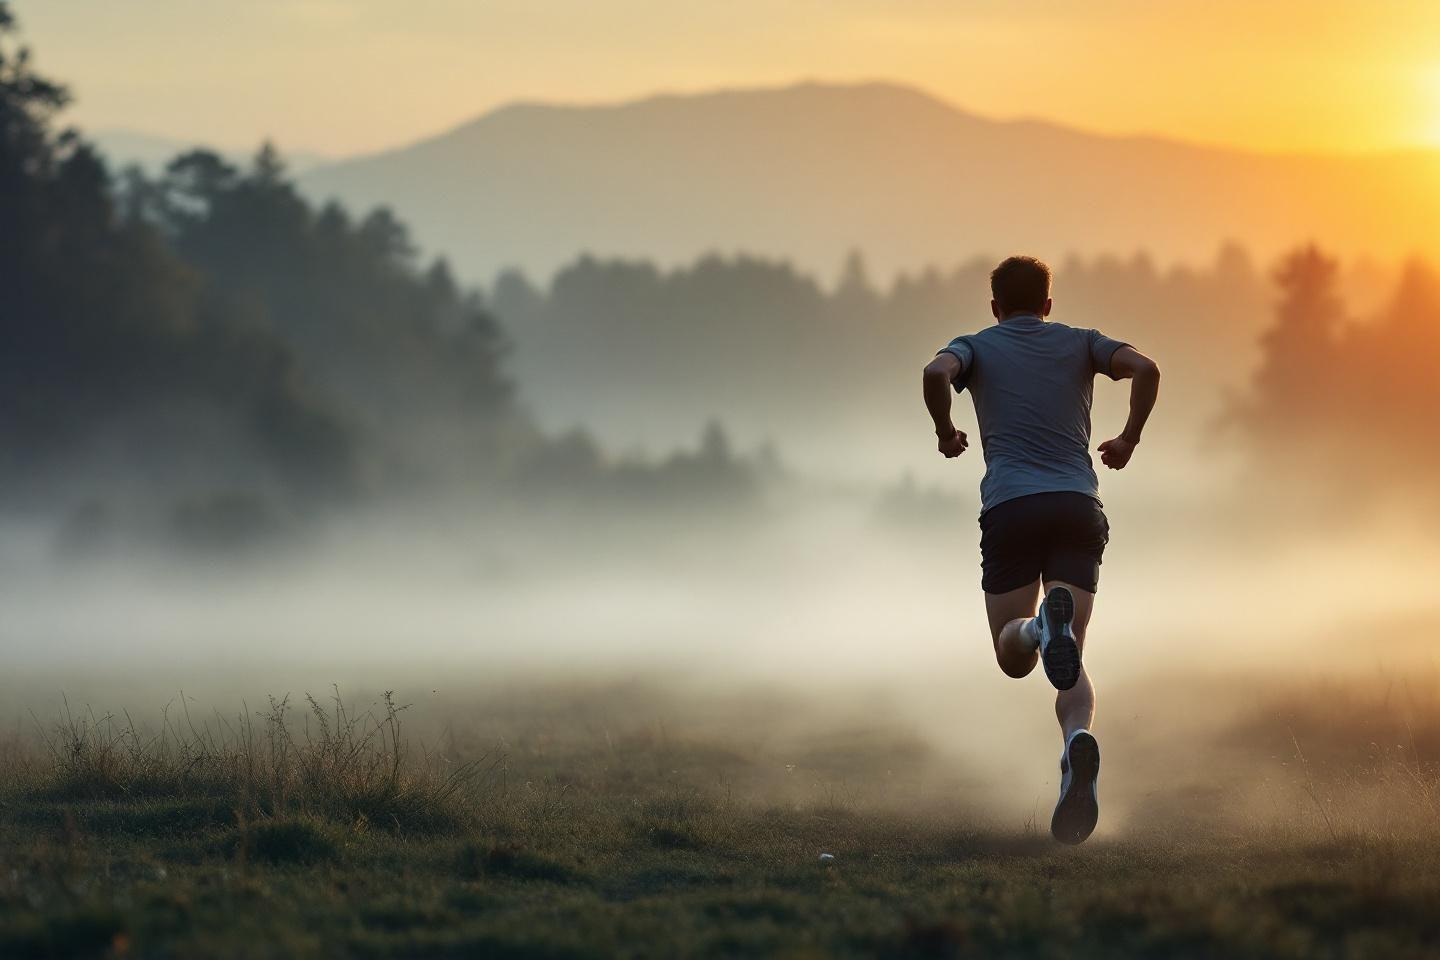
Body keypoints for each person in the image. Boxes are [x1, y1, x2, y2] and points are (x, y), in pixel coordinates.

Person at [920, 255, 1160, 844]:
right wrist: (1128, 439)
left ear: (995, 306)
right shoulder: (1083, 342)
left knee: (1014, 657)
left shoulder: (973, 346)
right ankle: (1077, 743)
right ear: (1049, 304)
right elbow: (1147, 368)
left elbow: (934, 373)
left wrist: (946, 433)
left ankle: (1034, 632)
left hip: (1011, 508)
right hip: (1077, 504)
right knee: (1073, 652)